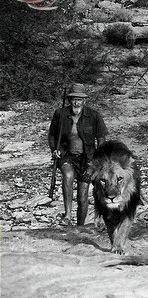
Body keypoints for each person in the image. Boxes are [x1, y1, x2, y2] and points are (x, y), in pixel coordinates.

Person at [48, 83, 108, 226]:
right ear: (69, 100)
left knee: (83, 196)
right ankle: (67, 215)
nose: (76, 102)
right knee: (68, 175)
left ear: (84, 101)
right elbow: (52, 135)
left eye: (79, 99)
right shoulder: (60, 114)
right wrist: (54, 150)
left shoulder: (93, 115)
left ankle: (80, 226)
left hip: (87, 159)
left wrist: (96, 162)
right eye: (74, 99)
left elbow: (101, 138)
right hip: (66, 155)